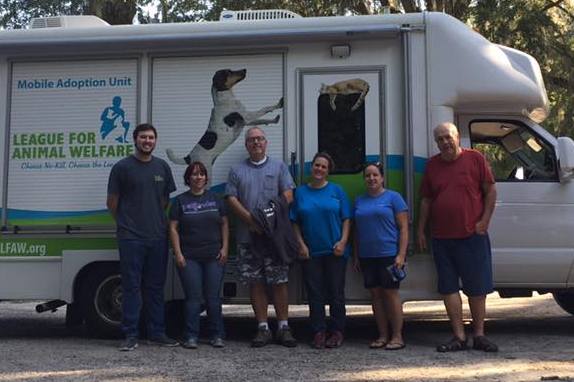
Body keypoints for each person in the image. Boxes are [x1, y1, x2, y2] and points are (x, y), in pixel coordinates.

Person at [417, 122, 498, 353]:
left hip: (472, 235)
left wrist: (484, 221)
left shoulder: (475, 159)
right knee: (449, 288)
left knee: (477, 288)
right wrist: (421, 230)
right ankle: (459, 337)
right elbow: (426, 200)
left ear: (457, 137)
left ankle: (479, 335)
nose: (444, 142)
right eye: (440, 139)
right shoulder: (432, 165)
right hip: (442, 238)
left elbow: (490, 190)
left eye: (447, 137)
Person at [107, 123, 178, 351]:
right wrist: (127, 224)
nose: (147, 141)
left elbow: (165, 201)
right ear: (135, 140)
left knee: (156, 288)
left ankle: (156, 333)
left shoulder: (162, 167)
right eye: (143, 137)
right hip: (131, 238)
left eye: (151, 138)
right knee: (131, 287)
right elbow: (112, 203)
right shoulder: (122, 167)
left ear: (155, 141)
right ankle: (130, 335)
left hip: (157, 236)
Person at [225, 126, 297, 348]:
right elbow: (231, 198)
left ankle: (284, 327)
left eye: (260, 139)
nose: (256, 143)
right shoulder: (236, 171)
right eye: (252, 140)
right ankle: (263, 328)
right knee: (255, 282)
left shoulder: (279, 167)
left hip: (274, 238)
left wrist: (269, 220)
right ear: (246, 145)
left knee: (279, 282)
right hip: (248, 237)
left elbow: (288, 194)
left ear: (266, 143)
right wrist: (251, 221)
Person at [290, 152, 351, 349]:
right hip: (310, 252)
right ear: (311, 167)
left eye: (324, 167)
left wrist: (342, 242)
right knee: (314, 294)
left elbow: (346, 219)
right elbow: (295, 222)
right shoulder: (300, 192)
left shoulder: (337, 190)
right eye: (317, 165)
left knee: (336, 293)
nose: (319, 169)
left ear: (328, 171)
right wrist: (301, 244)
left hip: (335, 251)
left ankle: (337, 331)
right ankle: (318, 332)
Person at [169, 161, 229, 349]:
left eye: (201, 174)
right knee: (193, 298)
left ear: (206, 178)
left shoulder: (216, 199)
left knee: (213, 298)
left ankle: (217, 335)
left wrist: (225, 248)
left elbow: (225, 224)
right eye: (194, 174)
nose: (198, 177)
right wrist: (178, 253)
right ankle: (191, 336)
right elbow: (173, 228)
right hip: (190, 257)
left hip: (214, 257)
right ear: (188, 178)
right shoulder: (179, 201)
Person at [353, 162, 408, 350]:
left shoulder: (394, 198)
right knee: (375, 296)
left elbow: (404, 229)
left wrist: (401, 255)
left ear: (382, 178)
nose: (371, 179)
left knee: (391, 294)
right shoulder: (359, 200)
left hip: (389, 255)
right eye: (367, 176)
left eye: (375, 175)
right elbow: (357, 232)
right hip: (367, 256)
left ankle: (398, 336)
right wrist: (356, 255)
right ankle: (382, 335)